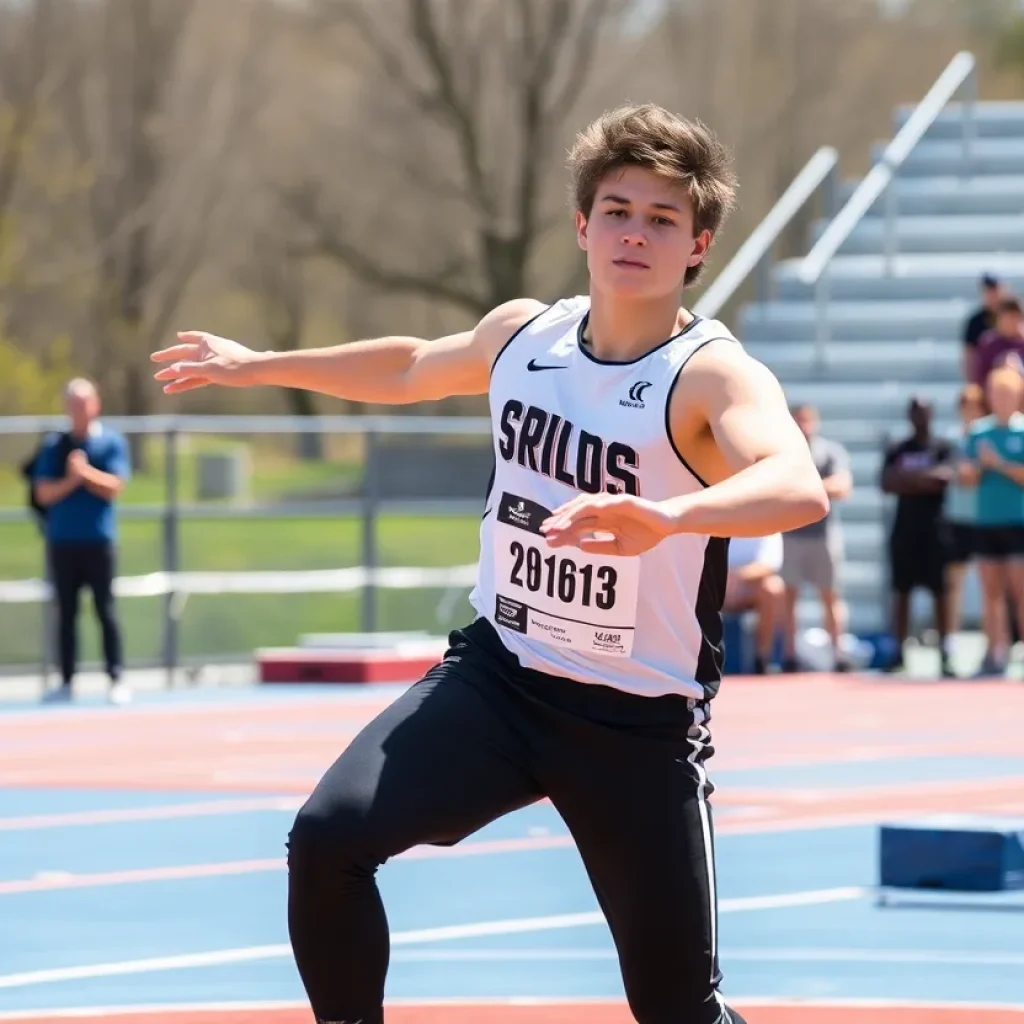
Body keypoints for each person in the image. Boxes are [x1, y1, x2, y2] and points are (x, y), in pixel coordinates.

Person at [152, 103, 828, 1024]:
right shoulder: (525, 335)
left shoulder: (710, 375)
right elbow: (408, 367)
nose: (636, 233)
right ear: (583, 225)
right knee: (326, 841)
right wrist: (259, 365)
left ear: (697, 245)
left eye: (663, 219)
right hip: (500, 680)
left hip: (634, 721)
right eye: (619, 210)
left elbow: (796, 484)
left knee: (678, 1010)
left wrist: (668, 518)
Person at [31, 378, 131, 704]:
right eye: (72, 405)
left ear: (96, 405)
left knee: (106, 610)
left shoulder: (111, 443)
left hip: (99, 542)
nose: (78, 412)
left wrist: (85, 474)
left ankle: (116, 677)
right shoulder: (54, 446)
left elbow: (115, 485)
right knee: (67, 613)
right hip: (62, 542)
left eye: (83, 404)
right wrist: (72, 480)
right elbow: (43, 492)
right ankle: (66, 680)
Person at [880, 397, 955, 677]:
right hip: (905, 530)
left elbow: (947, 477)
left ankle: (945, 653)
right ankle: (899, 652)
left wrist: (908, 478)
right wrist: (925, 479)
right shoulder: (898, 448)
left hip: (936, 530)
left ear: (931, 414)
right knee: (902, 591)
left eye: (924, 412)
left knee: (940, 592)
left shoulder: (942, 447)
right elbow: (887, 482)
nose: (919, 417)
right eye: (915, 412)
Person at [959, 366, 1024, 677]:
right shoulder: (978, 433)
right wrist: (976, 468)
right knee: (990, 591)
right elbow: (966, 479)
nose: (1002, 400)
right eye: (997, 394)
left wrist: (997, 464)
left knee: (1020, 590)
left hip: (1018, 521)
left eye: (1008, 394)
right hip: (987, 521)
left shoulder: (1022, 431)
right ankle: (994, 652)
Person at [780, 404, 852, 672]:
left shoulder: (829, 452)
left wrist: (804, 490)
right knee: (789, 595)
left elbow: (842, 486)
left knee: (830, 594)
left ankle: (839, 652)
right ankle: (789, 653)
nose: (804, 426)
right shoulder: (784, 452)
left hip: (823, 534)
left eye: (808, 420)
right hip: (791, 534)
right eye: (799, 420)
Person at [945, 384, 985, 636]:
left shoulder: (989, 436)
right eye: (966, 407)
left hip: (985, 518)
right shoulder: (952, 438)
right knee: (954, 582)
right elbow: (961, 475)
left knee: (990, 584)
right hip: (958, 517)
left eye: (974, 407)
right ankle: (951, 638)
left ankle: (995, 641)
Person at [723, 533, 784, 674]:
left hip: (749, 587)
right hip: (714, 583)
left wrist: (738, 577)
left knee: (773, 589)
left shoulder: (769, 524)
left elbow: (769, 563)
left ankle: (762, 658)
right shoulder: (717, 517)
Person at [971, 294, 1024, 390]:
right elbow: (979, 378)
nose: (1009, 322)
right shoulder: (988, 343)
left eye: (1013, 317)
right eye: (1005, 317)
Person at [962, 273, 1004, 382]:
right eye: (989, 291)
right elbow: (969, 354)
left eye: (995, 290)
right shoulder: (975, 322)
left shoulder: (1014, 315)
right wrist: (972, 381)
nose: (993, 294)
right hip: (985, 375)